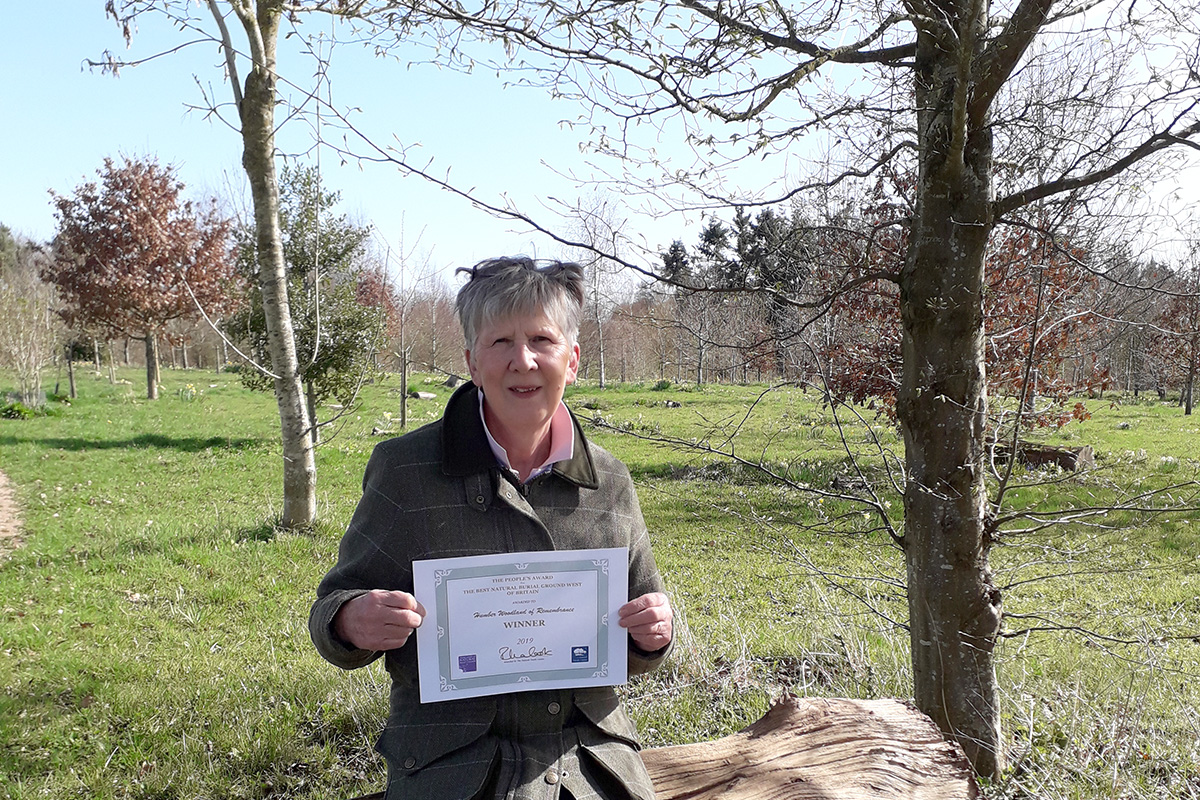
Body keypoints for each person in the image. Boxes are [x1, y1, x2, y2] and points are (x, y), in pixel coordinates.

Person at [309, 256, 674, 800]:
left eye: (541, 341)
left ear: (571, 360)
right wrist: (350, 621)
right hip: (452, 765)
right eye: (500, 341)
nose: (522, 360)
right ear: (472, 362)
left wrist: (655, 634)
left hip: (587, 761)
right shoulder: (406, 471)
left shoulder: (610, 481)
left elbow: (648, 618)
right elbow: (331, 609)